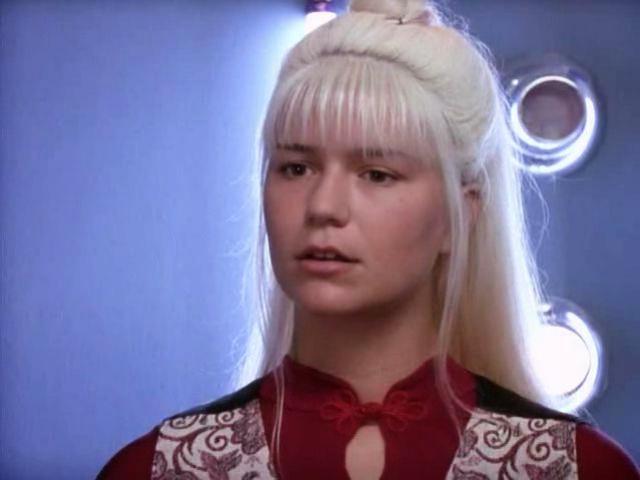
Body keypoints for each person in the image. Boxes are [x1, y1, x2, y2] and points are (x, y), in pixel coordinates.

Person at [97, 0, 640, 478]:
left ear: (461, 212)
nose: (323, 207)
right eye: (295, 168)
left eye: (377, 174)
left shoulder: (576, 469)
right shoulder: (157, 469)